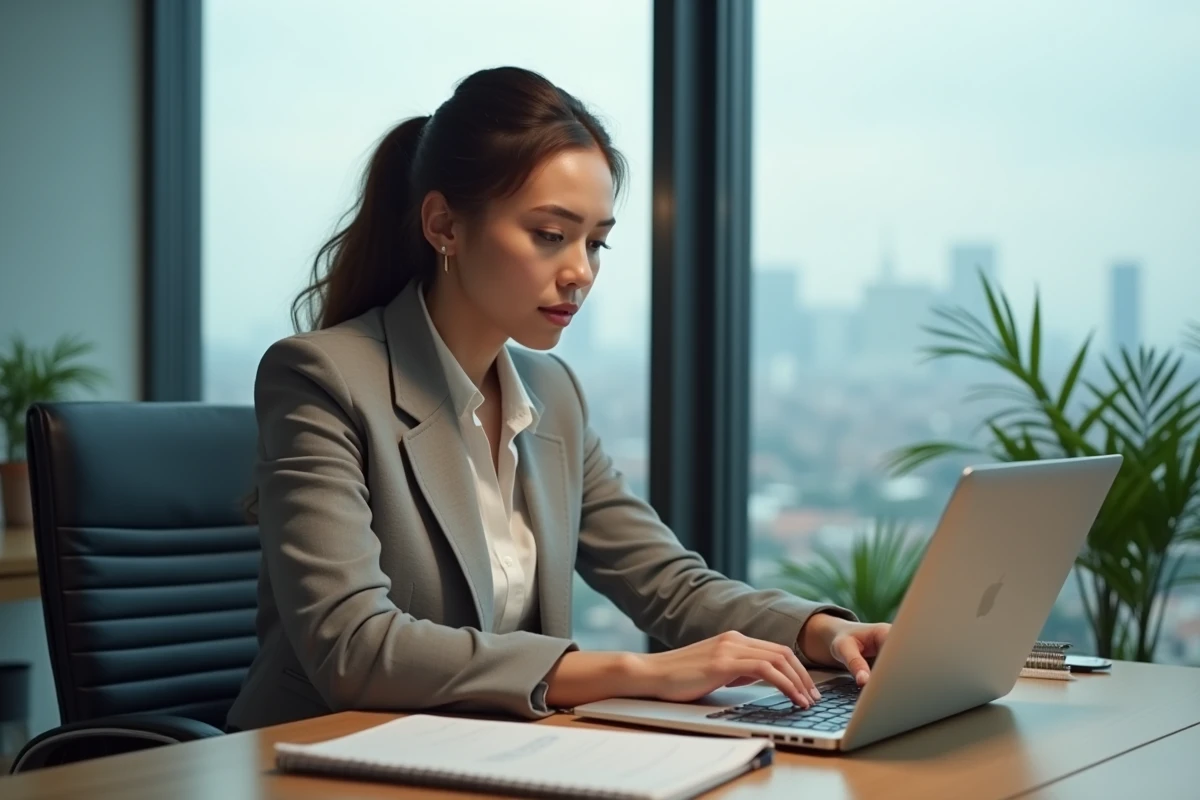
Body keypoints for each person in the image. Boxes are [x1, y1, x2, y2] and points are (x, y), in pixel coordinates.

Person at [225, 66, 890, 732]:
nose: (580, 272)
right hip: (321, 752)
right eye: (550, 235)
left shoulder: (551, 394)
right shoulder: (321, 379)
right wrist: (640, 672)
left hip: (484, 750)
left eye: (595, 242)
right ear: (444, 225)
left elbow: (666, 581)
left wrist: (822, 632)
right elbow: (353, 646)